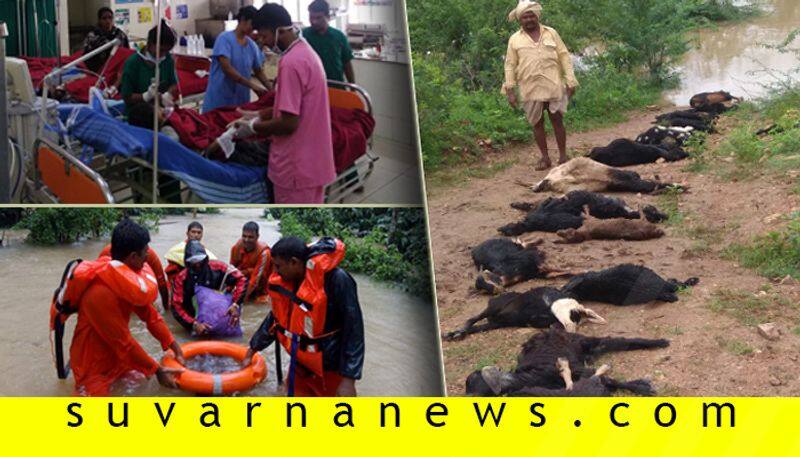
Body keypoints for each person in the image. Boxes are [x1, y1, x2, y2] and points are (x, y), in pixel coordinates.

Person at [68, 219, 184, 396]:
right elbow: (124, 342)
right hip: (92, 367)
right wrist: (156, 369)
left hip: (117, 359)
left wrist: (174, 346)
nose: (148, 258)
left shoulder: (127, 279)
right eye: (145, 253)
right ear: (132, 257)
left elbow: (150, 316)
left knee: (145, 387)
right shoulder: (100, 293)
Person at [233, 4, 335, 204]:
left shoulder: (291, 63)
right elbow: (294, 106)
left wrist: (253, 128)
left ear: (278, 30)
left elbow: (289, 123)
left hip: (295, 167)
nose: (263, 43)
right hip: (312, 163)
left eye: (264, 36)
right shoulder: (306, 52)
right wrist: (259, 115)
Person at [243, 237, 364, 397]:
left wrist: (349, 379)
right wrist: (252, 349)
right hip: (300, 365)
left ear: (294, 262)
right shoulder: (288, 280)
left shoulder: (337, 280)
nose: (276, 272)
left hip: (329, 368)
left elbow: (354, 329)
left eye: (278, 266)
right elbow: (276, 319)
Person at [502, 1, 579, 170]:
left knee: (557, 120)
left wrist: (570, 80)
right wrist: (510, 90)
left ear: (537, 16)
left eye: (531, 16)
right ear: (520, 20)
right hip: (530, 87)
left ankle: (563, 156)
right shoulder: (514, 40)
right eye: (525, 17)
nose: (529, 19)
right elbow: (510, 65)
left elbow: (564, 56)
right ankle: (544, 158)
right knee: (537, 123)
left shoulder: (551, 33)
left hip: (553, 84)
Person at [202, 6, 272, 113]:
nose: (253, 29)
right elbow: (227, 69)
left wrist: (271, 89)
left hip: (240, 100)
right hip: (220, 99)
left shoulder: (251, 45)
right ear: (243, 20)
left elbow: (258, 71)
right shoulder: (224, 39)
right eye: (251, 25)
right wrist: (252, 85)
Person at [171, 240, 246, 336]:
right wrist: (194, 324)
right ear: (187, 262)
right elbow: (176, 306)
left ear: (206, 259)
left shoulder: (218, 267)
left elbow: (241, 279)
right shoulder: (181, 278)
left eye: (200, 261)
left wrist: (235, 305)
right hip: (194, 318)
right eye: (193, 262)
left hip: (219, 312)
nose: (197, 265)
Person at [120, 20, 179, 116]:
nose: (163, 54)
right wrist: (145, 96)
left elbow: (174, 84)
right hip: (137, 114)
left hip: (161, 112)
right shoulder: (133, 63)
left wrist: (167, 95)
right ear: (150, 43)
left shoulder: (168, 59)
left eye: (167, 51)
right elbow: (127, 97)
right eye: (161, 50)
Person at [98, 242, 170, 311]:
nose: (146, 257)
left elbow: (161, 283)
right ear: (133, 256)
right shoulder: (107, 254)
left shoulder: (148, 254)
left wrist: (166, 307)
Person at [303, 0, 355, 83]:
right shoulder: (303, 36)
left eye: (318, 18)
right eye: (311, 17)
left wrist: (353, 87)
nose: (314, 21)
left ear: (328, 17)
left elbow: (347, 64)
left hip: (336, 85)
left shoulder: (339, 36)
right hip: (312, 86)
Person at [164, 221, 218, 287]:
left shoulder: (204, 251)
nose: (196, 235)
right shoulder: (177, 250)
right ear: (187, 233)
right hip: (179, 284)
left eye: (199, 232)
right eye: (193, 232)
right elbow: (171, 274)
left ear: (202, 235)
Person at [229, 221, 272, 302]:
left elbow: (255, 280)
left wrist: (239, 301)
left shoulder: (264, 253)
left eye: (250, 237)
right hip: (244, 283)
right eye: (244, 236)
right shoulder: (235, 248)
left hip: (261, 288)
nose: (246, 240)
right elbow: (231, 271)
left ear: (257, 237)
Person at [83, 7, 130, 74]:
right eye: (104, 18)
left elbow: (127, 53)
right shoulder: (92, 36)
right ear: (99, 20)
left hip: (116, 71)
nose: (108, 21)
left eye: (110, 18)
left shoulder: (120, 35)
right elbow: (86, 57)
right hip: (97, 72)